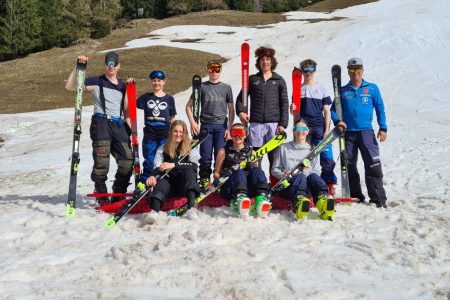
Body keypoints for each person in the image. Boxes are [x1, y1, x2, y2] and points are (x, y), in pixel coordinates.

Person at [65, 52, 132, 204]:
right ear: (105, 65)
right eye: (108, 63)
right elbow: (70, 86)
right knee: (102, 164)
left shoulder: (122, 86)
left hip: (119, 125)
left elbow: (127, 108)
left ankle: (119, 193)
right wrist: (78, 68)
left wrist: (130, 130)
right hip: (101, 123)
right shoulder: (96, 81)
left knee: (127, 161)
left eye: (114, 63)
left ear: (118, 66)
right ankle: (101, 194)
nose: (111, 66)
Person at [331, 57, 388, 208]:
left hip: (366, 132)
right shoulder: (343, 91)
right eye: (352, 70)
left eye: (358, 70)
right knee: (349, 165)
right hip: (348, 133)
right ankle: (356, 196)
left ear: (362, 71)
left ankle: (378, 198)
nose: (355, 73)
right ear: (348, 73)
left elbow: (380, 108)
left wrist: (383, 128)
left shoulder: (372, 88)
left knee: (372, 164)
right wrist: (338, 121)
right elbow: (333, 110)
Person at [235, 46, 289, 170]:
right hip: (256, 124)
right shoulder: (252, 79)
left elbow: (284, 102)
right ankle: (257, 185)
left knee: (275, 158)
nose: (265, 62)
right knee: (255, 158)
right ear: (259, 62)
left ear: (272, 61)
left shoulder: (279, 80)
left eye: (268, 59)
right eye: (262, 59)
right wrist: (240, 112)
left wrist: (283, 124)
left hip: (274, 125)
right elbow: (241, 98)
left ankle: (275, 185)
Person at [271, 119, 335, 220]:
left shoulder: (313, 150)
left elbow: (316, 172)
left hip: (307, 188)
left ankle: (322, 201)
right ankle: (299, 203)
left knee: (313, 177)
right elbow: (274, 169)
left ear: (308, 131)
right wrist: (283, 174)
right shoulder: (283, 148)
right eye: (297, 128)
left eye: (303, 129)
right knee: (300, 176)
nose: (300, 131)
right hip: (289, 187)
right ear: (293, 131)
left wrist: (307, 172)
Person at [186, 59, 234, 192]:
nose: (214, 72)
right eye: (211, 69)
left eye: (217, 69)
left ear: (220, 70)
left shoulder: (226, 88)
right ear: (208, 70)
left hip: (221, 127)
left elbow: (231, 109)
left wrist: (229, 128)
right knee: (206, 156)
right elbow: (189, 107)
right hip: (206, 126)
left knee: (221, 154)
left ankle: (218, 179)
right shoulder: (202, 87)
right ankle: (205, 179)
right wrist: (193, 122)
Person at [144, 120, 200, 224]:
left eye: (181, 131)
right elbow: (156, 168)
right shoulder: (163, 148)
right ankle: (154, 212)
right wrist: (151, 176)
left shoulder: (191, 146)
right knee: (160, 180)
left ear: (184, 133)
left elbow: (194, 166)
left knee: (189, 171)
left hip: (185, 185)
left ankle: (191, 208)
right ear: (171, 132)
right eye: (175, 131)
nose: (178, 134)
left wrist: (174, 165)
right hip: (169, 186)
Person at [290, 59, 337, 185]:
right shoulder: (298, 89)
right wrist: (292, 109)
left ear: (315, 70)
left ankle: (329, 183)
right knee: (305, 157)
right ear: (302, 71)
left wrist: (327, 130)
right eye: (305, 70)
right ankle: (305, 182)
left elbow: (327, 111)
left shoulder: (321, 88)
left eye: (311, 69)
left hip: (319, 127)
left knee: (326, 156)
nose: (308, 72)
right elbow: (295, 111)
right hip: (304, 128)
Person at [213, 123, 271, 218]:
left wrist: (252, 166)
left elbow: (256, 174)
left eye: (240, 132)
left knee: (257, 171)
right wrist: (222, 174)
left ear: (245, 134)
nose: (237, 136)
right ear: (231, 134)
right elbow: (216, 174)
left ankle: (261, 198)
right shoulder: (223, 151)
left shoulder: (252, 152)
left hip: (248, 187)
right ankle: (240, 200)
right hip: (231, 188)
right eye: (234, 132)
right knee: (239, 171)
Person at [136, 70, 176, 184]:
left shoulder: (169, 99)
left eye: (159, 81)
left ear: (164, 82)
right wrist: (130, 85)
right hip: (150, 134)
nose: (156, 83)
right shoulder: (146, 97)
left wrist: (175, 132)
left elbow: (172, 117)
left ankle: (162, 182)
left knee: (163, 158)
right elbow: (132, 101)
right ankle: (145, 182)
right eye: (154, 80)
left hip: (164, 134)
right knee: (149, 159)